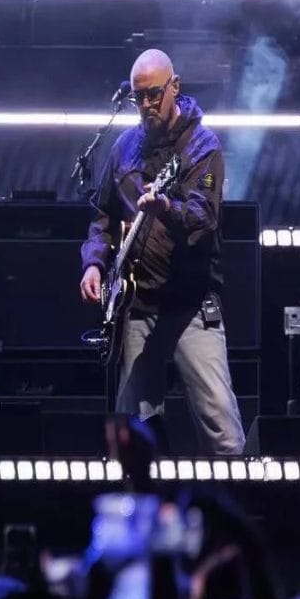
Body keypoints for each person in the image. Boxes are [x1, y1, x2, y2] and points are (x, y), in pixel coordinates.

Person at [79, 49, 245, 455]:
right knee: (130, 431)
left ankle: (243, 506)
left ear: (175, 87)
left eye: (155, 94)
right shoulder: (123, 149)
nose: (148, 105)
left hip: (191, 306)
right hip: (138, 306)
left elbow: (204, 220)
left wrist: (166, 208)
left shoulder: (202, 147)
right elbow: (102, 214)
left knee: (221, 426)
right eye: (140, 98)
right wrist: (94, 263)